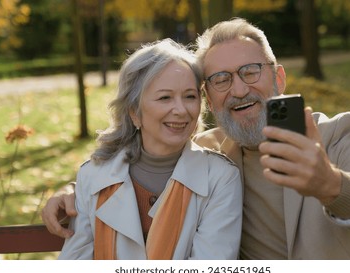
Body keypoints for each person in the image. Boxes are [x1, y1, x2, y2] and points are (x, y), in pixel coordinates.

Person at [43, 18, 350, 259]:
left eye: (250, 71)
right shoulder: (211, 153)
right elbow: (140, 164)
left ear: (278, 79)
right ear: (210, 97)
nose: (238, 89)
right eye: (220, 79)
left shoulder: (337, 134)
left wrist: (330, 184)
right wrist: (75, 191)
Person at [57, 38, 243, 260]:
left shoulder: (221, 177)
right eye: (165, 97)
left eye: (190, 97)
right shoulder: (93, 176)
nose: (181, 110)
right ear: (134, 112)